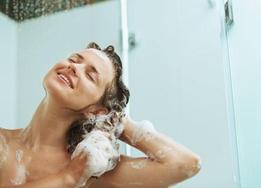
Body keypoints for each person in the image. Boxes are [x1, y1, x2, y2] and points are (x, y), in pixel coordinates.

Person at [0, 42, 201, 188]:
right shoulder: (3, 142)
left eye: (90, 75)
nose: (74, 67)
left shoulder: (91, 169)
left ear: (96, 110)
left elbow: (185, 164)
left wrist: (119, 122)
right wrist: (68, 178)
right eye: (73, 59)